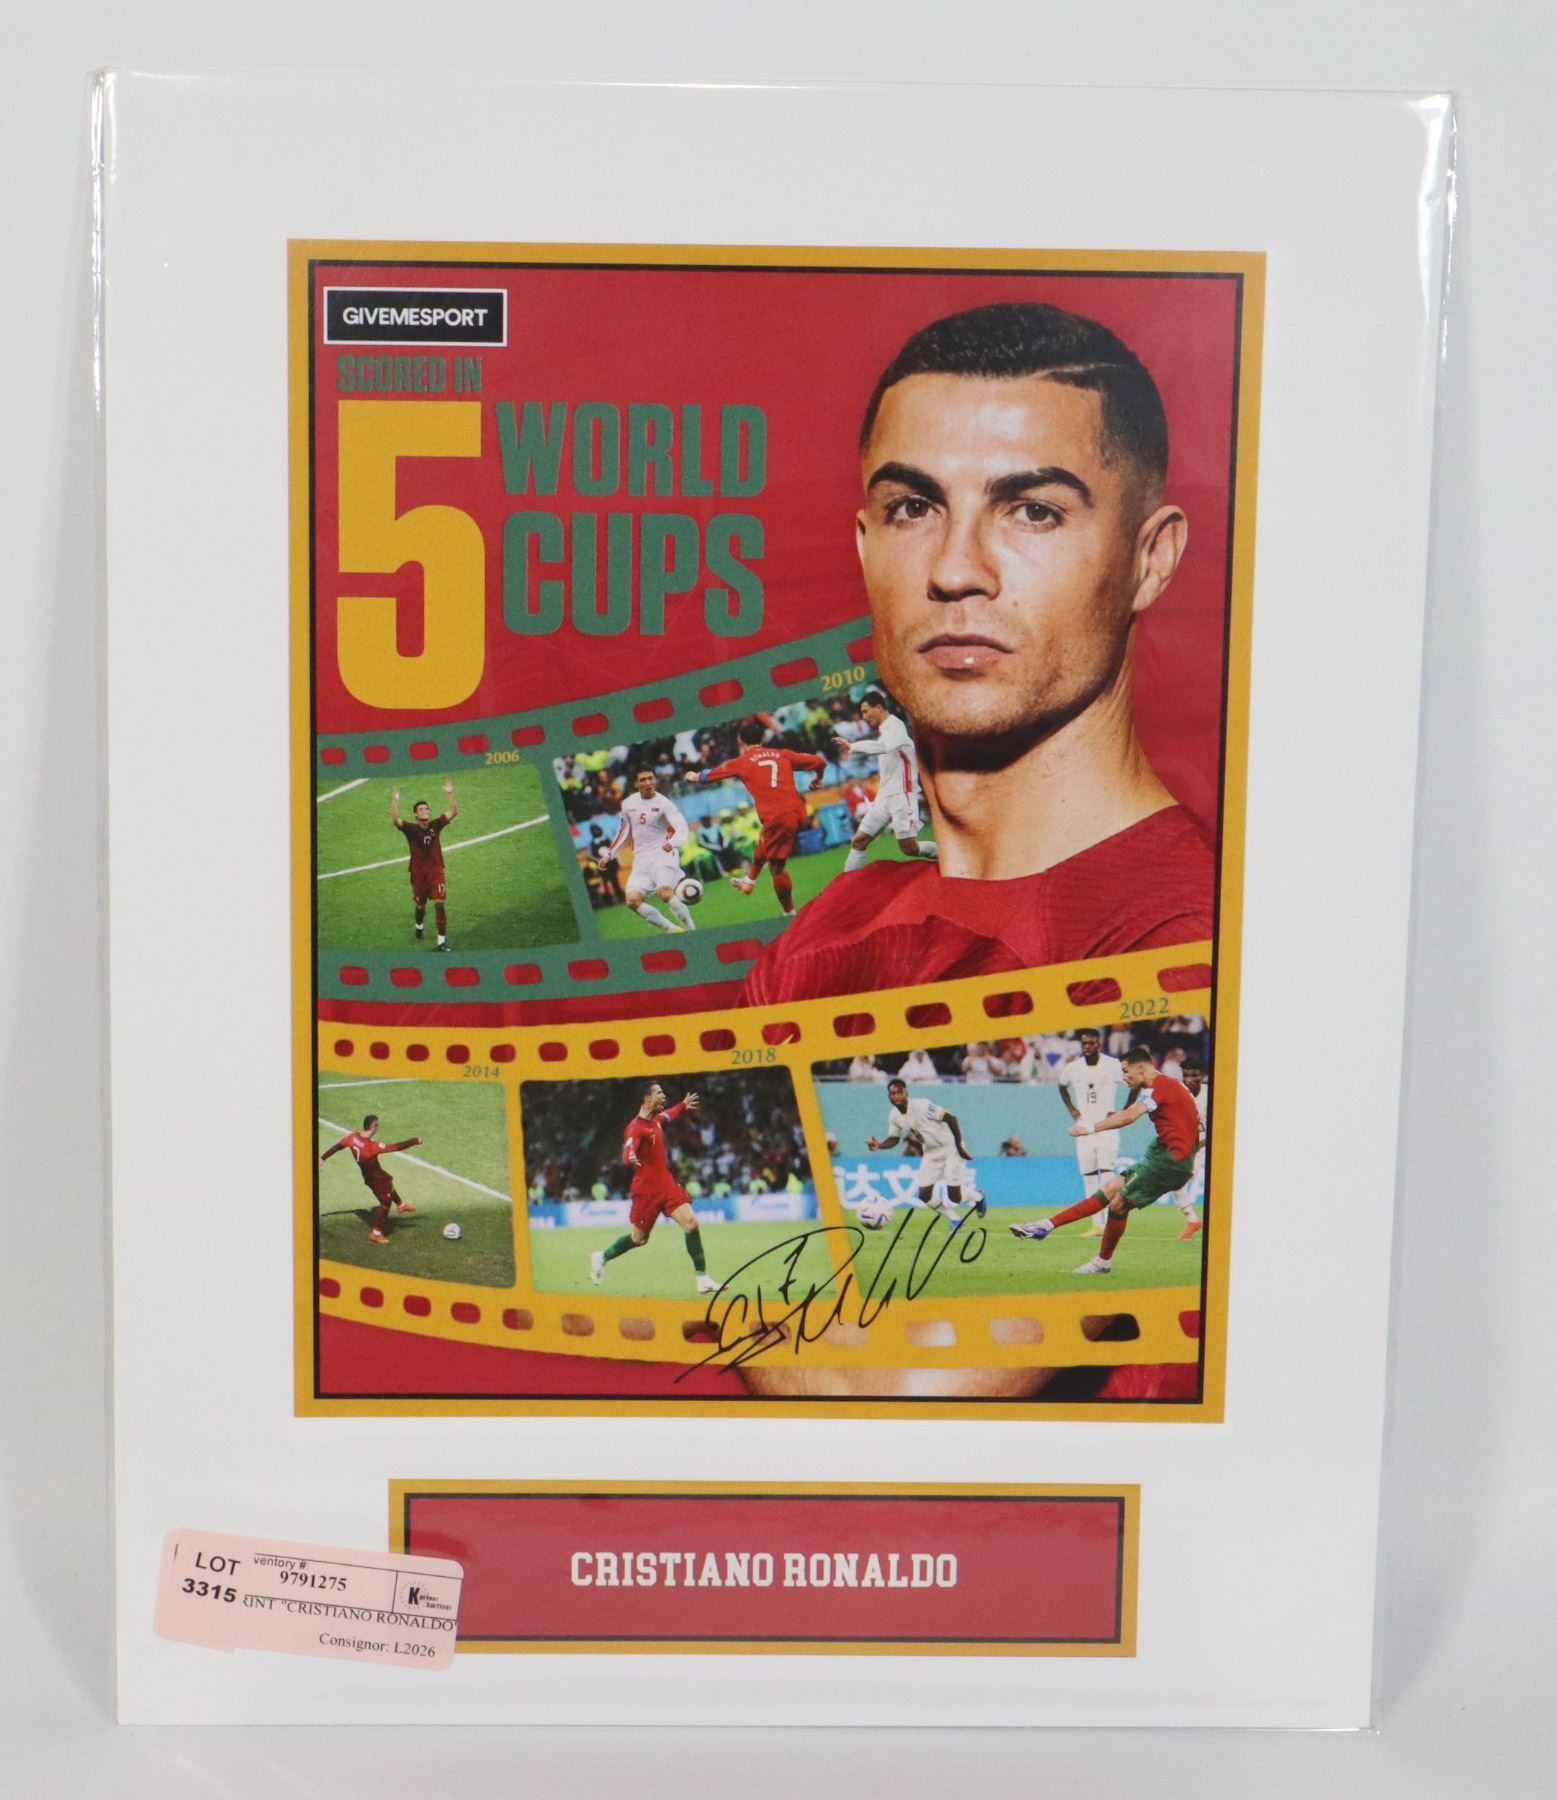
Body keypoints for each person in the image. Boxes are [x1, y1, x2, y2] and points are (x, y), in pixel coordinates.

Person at [740, 301, 1214, 1007]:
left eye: (1034, 511)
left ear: (1151, 560)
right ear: (865, 549)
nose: (955, 570)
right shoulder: (824, 936)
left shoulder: (1186, 945)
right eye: (913, 508)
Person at [1010, 1045, 1200, 1273]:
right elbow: (1198, 1123)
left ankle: (1101, 1261)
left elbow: (1129, 1116)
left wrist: (1090, 1128)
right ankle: (1047, 1226)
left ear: (1141, 1068)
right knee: (1110, 1189)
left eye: (1126, 1071)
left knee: (1118, 1204)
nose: (1124, 1077)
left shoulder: (1156, 1089)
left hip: (1170, 1160)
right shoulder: (1172, 1086)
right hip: (1166, 1155)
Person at [589, 1085, 719, 1296]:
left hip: (666, 1185)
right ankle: (602, 1257)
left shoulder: (656, 1120)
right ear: (647, 1099)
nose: (664, 1096)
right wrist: (629, 1157)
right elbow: (628, 1149)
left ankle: (702, 1279)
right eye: (659, 1093)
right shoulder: (635, 1127)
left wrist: (683, 1105)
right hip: (646, 1192)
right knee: (638, 1239)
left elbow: (670, 1114)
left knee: (691, 1223)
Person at [690, 717, 826, 915]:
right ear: (762, 739)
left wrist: (691, 776)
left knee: (777, 869)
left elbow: (707, 776)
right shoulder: (782, 754)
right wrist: (818, 779)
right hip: (798, 811)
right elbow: (820, 762)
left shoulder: (741, 762)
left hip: (778, 815)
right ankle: (749, 881)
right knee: (765, 837)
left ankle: (789, 914)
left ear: (741, 742)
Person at [835, 690, 939, 872]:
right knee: (859, 841)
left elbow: (883, 747)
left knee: (910, 848)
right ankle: (846, 885)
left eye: (866, 711)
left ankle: (950, 857)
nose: (864, 717)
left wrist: (853, 746)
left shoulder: (895, 726)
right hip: (884, 797)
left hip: (901, 795)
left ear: (879, 707)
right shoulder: (884, 731)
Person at [868, 1077, 985, 1230]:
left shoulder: (922, 1105)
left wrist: (959, 1146)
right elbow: (894, 1138)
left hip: (951, 1149)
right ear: (889, 1096)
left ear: (906, 1093)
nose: (896, 1096)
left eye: (899, 1092)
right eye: (892, 1094)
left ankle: (978, 1197)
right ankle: (956, 1219)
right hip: (931, 1153)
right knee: (924, 1194)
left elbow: (951, 1118)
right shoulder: (894, 1116)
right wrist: (880, 1145)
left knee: (954, 1197)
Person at [599, 770, 697, 934]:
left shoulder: (664, 803)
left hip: (663, 853)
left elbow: (681, 826)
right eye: (643, 780)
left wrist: (673, 842)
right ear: (636, 784)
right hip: (642, 859)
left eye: (651, 778)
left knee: (665, 893)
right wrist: (609, 855)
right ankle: (672, 929)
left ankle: (692, 931)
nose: (648, 783)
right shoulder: (628, 804)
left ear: (655, 780)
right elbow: (624, 832)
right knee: (632, 901)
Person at [1057, 1028, 1126, 1238]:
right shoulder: (1073, 1068)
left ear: (1099, 1044)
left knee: (1107, 1176)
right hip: (1083, 1128)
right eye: (1084, 1043)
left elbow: (1134, 1084)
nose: (1087, 1047)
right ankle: (1097, 1225)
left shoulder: (1112, 1064)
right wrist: (1072, 1109)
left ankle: (1110, 1223)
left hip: (1107, 1127)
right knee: (1088, 1176)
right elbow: (1062, 1086)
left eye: (1091, 1043)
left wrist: (1124, 1111)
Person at [319, 1113, 423, 1244]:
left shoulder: (352, 1137)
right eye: (377, 1125)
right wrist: (415, 1141)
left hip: (371, 1175)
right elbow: (396, 1147)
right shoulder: (373, 1146)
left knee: (388, 1184)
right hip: (375, 1178)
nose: (378, 1127)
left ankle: (401, 1205)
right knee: (385, 1203)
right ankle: (376, 1233)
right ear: (373, 1127)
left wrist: (322, 1158)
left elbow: (337, 1147)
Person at [390, 779, 457, 951]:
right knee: (420, 905)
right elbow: (395, 819)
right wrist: (395, 800)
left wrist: (450, 793)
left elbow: (453, 812)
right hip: (418, 874)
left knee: (439, 903)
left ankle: (441, 942)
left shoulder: (436, 825)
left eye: (426, 808)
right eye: (421, 809)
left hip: (436, 871)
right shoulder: (411, 829)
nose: (425, 810)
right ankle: (419, 925)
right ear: (415, 815)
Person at [1177, 1058, 1209, 1239]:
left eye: (1194, 1075)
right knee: (1176, 1182)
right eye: (1186, 1075)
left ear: (1202, 1076)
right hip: (1192, 1149)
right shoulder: (1179, 1093)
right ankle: (1192, 1220)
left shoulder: (1211, 1094)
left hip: (1213, 1148)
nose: (1189, 1079)